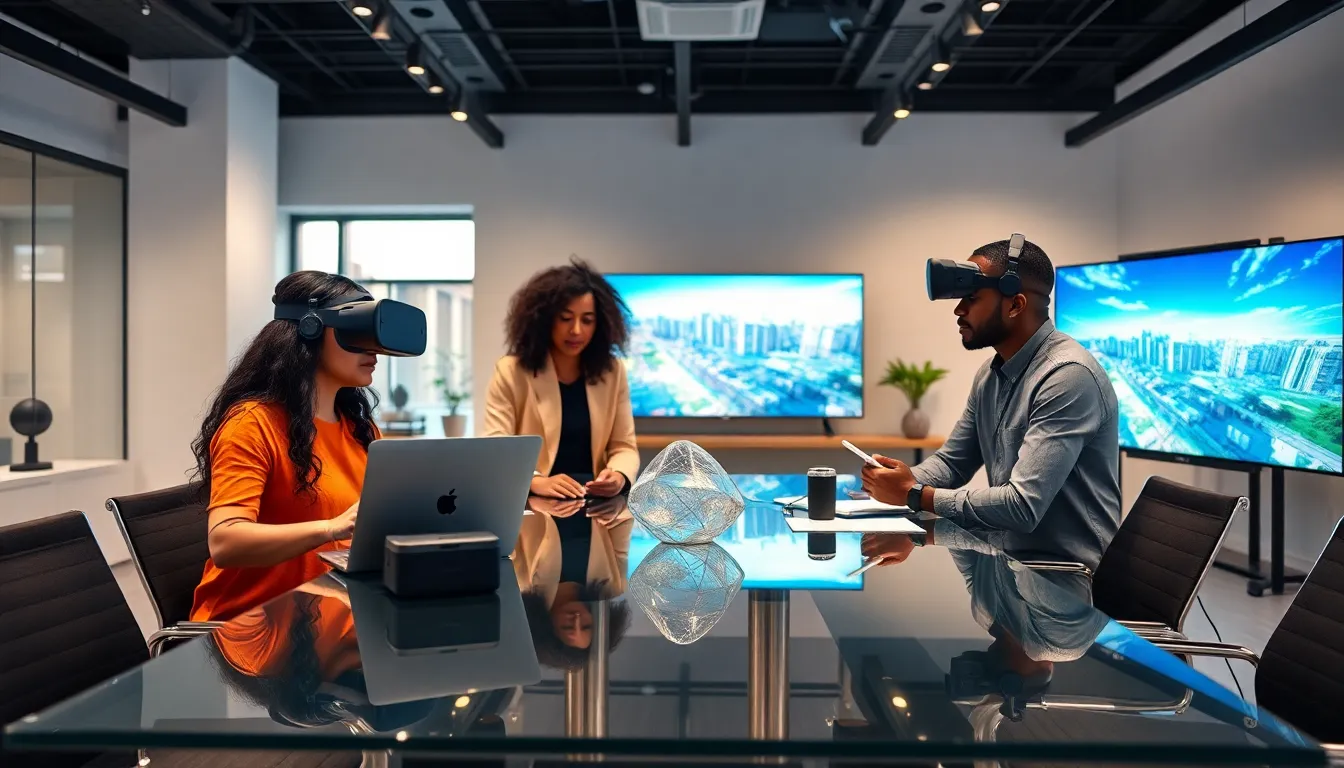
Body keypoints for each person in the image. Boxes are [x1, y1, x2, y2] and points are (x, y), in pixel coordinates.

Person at [861, 238, 1121, 574]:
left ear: (1015, 305)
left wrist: (913, 494)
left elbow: (1022, 507)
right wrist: (891, 484)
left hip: (1064, 579)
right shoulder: (991, 373)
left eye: (971, 299)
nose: (958, 310)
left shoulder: (1067, 376)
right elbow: (953, 463)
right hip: (1004, 561)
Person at [189, 271, 381, 622]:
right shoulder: (253, 424)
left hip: (329, 618)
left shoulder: (360, 429)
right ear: (309, 331)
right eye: (356, 333)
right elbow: (225, 542)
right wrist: (331, 528)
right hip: (249, 633)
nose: (372, 348)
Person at [485, 258, 639, 499]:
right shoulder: (511, 370)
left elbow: (624, 446)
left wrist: (618, 475)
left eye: (587, 320)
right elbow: (496, 446)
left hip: (592, 505)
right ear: (545, 320)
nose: (576, 330)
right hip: (533, 508)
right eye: (566, 319)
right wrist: (535, 480)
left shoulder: (612, 371)